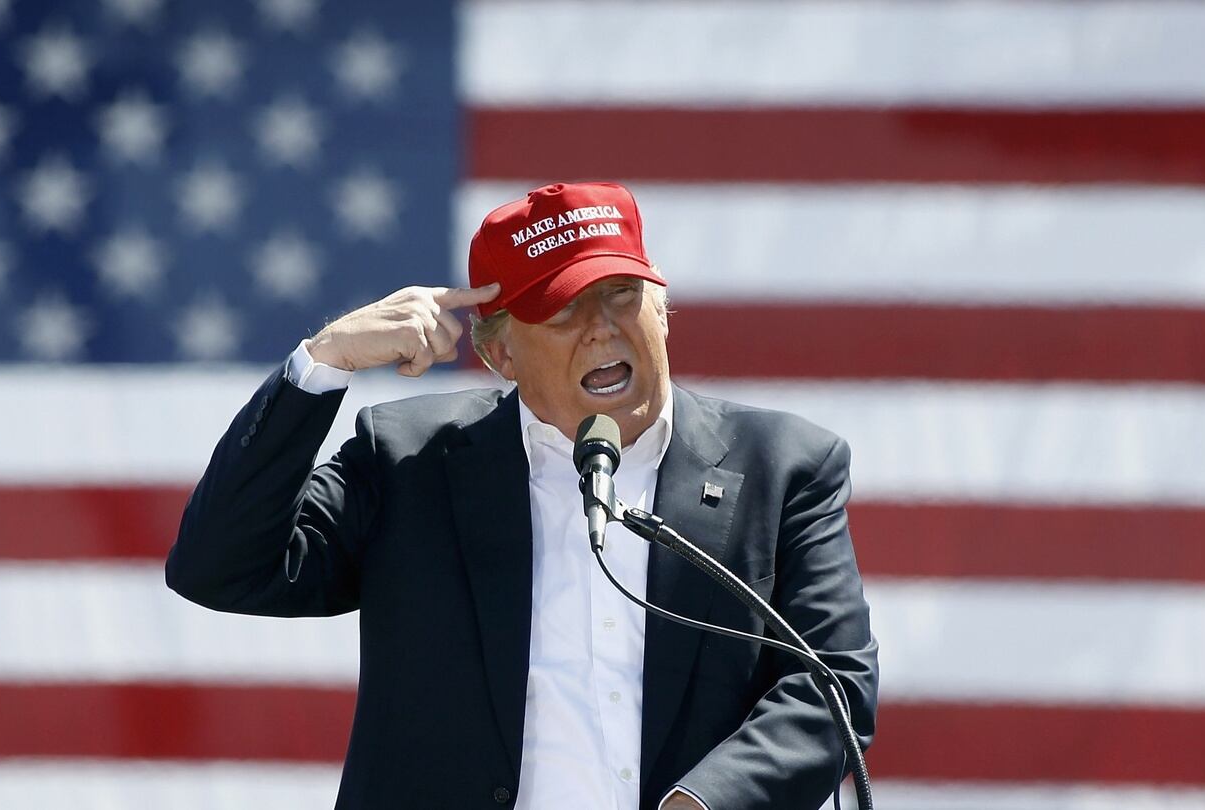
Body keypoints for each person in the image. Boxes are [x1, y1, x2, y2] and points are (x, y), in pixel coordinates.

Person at [167, 181, 878, 809]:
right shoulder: (411, 461)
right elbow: (219, 565)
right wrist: (322, 364)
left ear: (663, 309)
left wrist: (706, 803)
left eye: (622, 295)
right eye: (565, 308)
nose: (603, 326)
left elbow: (834, 682)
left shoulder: (782, 466)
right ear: (498, 353)